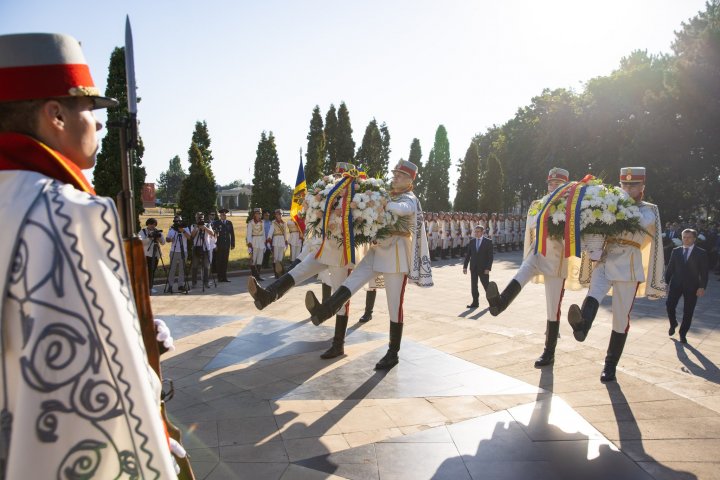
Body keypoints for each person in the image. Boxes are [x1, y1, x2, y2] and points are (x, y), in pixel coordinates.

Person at [0, 32, 176, 477]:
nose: (98, 124)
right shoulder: (61, 215)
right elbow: (103, 402)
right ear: (55, 115)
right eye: (90, 109)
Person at [305, 160, 434, 370]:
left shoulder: (409, 198)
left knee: (394, 306)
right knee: (351, 282)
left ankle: (393, 353)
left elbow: (402, 209)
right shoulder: (385, 193)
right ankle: (325, 311)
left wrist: (380, 204)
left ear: (411, 180)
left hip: (396, 257)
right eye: (395, 173)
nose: (396, 177)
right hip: (377, 250)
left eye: (401, 175)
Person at [248, 162, 361, 359]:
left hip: (341, 254)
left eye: (339, 176)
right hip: (323, 249)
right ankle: (267, 296)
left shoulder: (355, 198)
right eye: (334, 175)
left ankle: (338, 344)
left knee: (341, 298)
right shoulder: (326, 196)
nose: (335, 179)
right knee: (296, 272)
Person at [567, 167, 665, 382]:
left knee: (620, 318)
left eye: (633, 185)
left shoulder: (648, 210)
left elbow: (641, 223)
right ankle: (582, 327)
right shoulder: (608, 204)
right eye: (625, 185)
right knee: (594, 293)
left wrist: (614, 207)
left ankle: (610, 365)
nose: (628, 188)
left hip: (628, 266)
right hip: (606, 259)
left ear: (642, 187)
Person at [486, 167, 571, 368]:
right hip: (537, 251)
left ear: (566, 186)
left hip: (556, 259)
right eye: (550, 183)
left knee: (553, 309)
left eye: (557, 184)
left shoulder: (571, 207)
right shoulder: (538, 203)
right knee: (521, 273)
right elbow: (533, 223)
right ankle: (499, 304)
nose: (552, 186)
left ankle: (549, 352)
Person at [665, 228, 709, 343]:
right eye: (684, 237)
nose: (686, 239)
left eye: (689, 237)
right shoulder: (676, 251)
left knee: (688, 311)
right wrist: (665, 283)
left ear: (694, 238)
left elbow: (704, 272)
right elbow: (670, 268)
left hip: (692, 286)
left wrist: (702, 287)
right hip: (676, 284)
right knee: (669, 305)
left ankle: (682, 333)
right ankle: (673, 323)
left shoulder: (701, 253)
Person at [463, 225, 494, 308]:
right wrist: (465, 266)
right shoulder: (472, 241)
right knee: (474, 286)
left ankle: (492, 303)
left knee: (486, 286)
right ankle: (475, 302)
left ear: (482, 232)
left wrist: (488, 268)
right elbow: (468, 255)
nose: (476, 233)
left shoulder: (488, 242)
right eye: (475, 231)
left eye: (478, 231)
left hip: (484, 269)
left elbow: (490, 257)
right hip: (473, 267)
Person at [139, 217, 166, 293]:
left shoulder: (157, 231)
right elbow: (140, 242)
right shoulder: (143, 231)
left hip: (155, 255)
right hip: (146, 255)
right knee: (146, 272)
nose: (152, 226)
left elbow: (163, 243)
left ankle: (150, 287)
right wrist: (149, 238)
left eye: (154, 224)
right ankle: (145, 287)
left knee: (152, 271)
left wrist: (159, 237)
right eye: (151, 224)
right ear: (148, 224)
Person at [166, 214, 191, 293]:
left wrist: (183, 231)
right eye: (176, 221)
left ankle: (180, 285)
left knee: (182, 269)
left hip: (183, 251)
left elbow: (189, 237)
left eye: (179, 221)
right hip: (174, 251)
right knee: (172, 269)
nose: (178, 222)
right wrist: (170, 239)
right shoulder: (172, 229)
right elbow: (167, 239)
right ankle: (170, 285)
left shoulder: (185, 228)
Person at [190, 212, 215, 289]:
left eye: (202, 218)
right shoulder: (193, 225)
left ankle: (206, 282)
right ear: (196, 218)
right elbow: (192, 236)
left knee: (206, 266)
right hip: (196, 248)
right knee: (194, 266)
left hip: (205, 248)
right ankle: (194, 283)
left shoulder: (207, 225)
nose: (200, 219)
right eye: (199, 218)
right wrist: (197, 228)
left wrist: (205, 228)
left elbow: (212, 234)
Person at [213, 208, 235, 282]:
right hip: (219, 245)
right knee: (219, 261)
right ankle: (219, 277)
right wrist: (215, 245)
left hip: (226, 245)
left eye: (225, 214)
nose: (224, 215)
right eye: (222, 214)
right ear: (220, 215)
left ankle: (224, 277)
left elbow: (232, 234)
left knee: (225, 261)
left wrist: (232, 244)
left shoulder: (229, 223)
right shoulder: (216, 223)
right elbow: (214, 235)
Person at [247, 207, 267, 280]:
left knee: (260, 259)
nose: (259, 215)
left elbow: (264, 233)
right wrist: (249, 245)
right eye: (258, 213)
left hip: (261, 242)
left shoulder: (262, 222)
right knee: (253, 259)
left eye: (260, 213)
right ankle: (254, 276)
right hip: (254, 241)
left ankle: (257, 276)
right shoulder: (251, 223)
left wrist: (264, 243)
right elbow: (248, 234)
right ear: (255, 214)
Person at [271, 208, 289, 278]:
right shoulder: (273, 223)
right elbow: (271, 232)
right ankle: (276, 273)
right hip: (276, 240)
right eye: (278, 214)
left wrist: (286, 241)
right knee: (276, 257)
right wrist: (269, 240)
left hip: (282, 240)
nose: (280, 216)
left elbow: (285, 233)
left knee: (280, 257)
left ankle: (280, 273)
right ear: (276, 215)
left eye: (281, 214)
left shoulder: (284, 223)